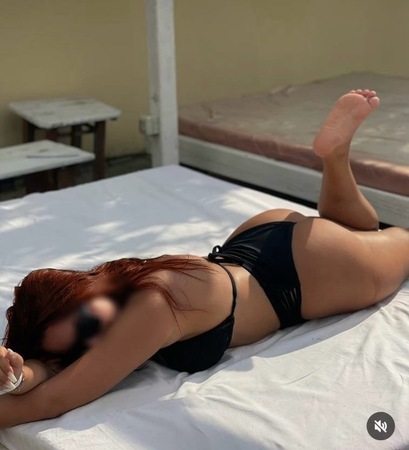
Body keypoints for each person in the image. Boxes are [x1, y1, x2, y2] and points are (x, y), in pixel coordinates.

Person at [1, 89, 408, 429]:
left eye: (87, 324)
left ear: (79, 294)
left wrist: (25, 390)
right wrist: (17, 374)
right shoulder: (120, 280)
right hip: (259, 238)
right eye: (82, 342)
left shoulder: (153, 307)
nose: (96, 338)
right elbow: (56, 369)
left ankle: (336, 164)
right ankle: (334, 157)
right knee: (362, 231)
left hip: (304, 272)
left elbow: (52, 400)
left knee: (402, 240)